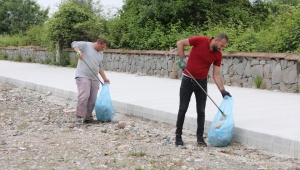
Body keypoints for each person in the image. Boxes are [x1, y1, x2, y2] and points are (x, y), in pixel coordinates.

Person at [175, 33, 232, 147]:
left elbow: (216, 74)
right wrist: (182, 60)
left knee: (201, 111)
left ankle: (200, 139)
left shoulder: (218, 55)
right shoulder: (200, 40)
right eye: (221, 45)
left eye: (223, 47)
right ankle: (178, 137)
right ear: (215, 40)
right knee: (183, 108)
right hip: (188, 80)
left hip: (202, 82)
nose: (222, 48)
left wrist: (222, 90)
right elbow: (180, 43)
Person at [71, 38, 110, 123]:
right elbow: (74, 43)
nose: (103, 49)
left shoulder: (100, 53)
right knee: (84, 96)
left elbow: (100, 67)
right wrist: (78, 52)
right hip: (82, 76)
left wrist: (104, 78)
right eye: (102, 47)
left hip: (94, 78)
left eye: (104, 48)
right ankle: (79, 116)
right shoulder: (86, 45)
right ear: (98, 43)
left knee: (92, 99)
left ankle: (88, 118)